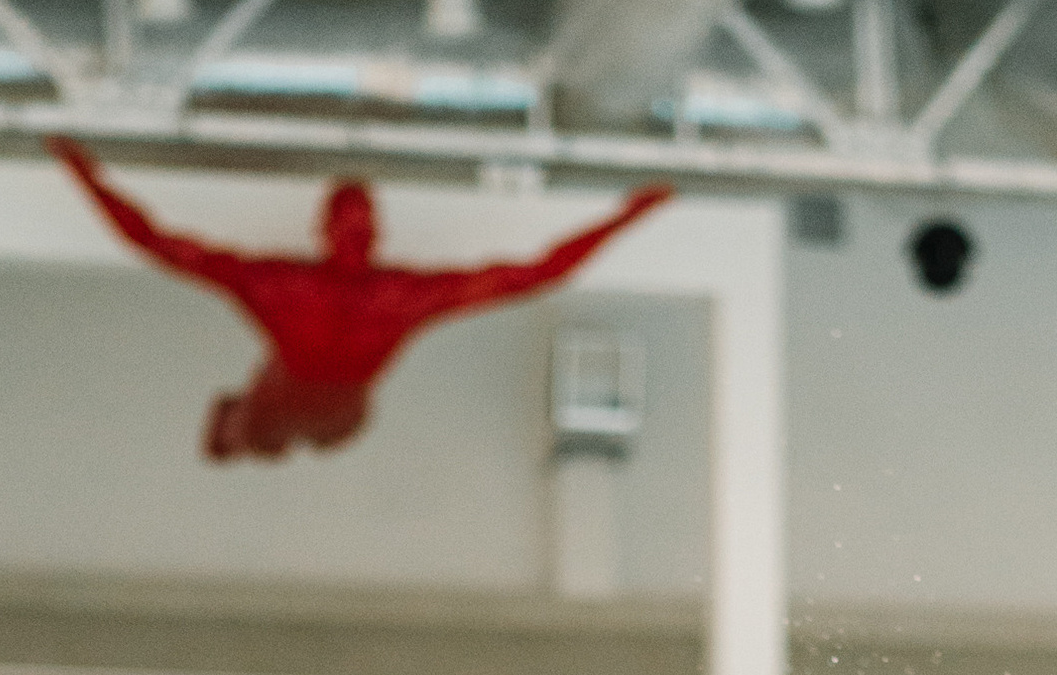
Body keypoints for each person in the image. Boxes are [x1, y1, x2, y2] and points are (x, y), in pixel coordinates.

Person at [51, 144, 674, 460]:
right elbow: (154, 244)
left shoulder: (343, 308)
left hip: (329, 326)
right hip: (311, 324)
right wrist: (79, 170)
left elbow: (537, 276)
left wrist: (631, 214)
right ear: (269, 381)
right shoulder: (295, 301)